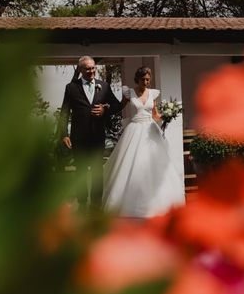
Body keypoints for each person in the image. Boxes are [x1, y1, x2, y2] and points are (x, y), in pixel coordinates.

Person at [102, 66, 185, 217]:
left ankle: (158, 202)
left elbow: (155, 115)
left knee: (154, 163)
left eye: (148, 79)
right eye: (143, 79)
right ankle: (128, 203)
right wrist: (107, 108)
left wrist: (167, 116)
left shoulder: (153, 93)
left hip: (150, 130)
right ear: (137, 79)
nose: (146, 82)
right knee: (132, 163)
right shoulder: (129, 92)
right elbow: (119, 107)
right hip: (134, 129)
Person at [58, 55, 121, 210]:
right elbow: (65, 112)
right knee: (80, 171)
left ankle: (96, 204)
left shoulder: (104, 86)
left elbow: (116, 106)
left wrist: (105, 109)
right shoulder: (71, 87)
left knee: (97, 171)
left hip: (97, 136)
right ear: (81, 70)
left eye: (93, 68)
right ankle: (81, 203)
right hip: (78, 137)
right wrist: (64, 134)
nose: (92, 71)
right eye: (88, 69)